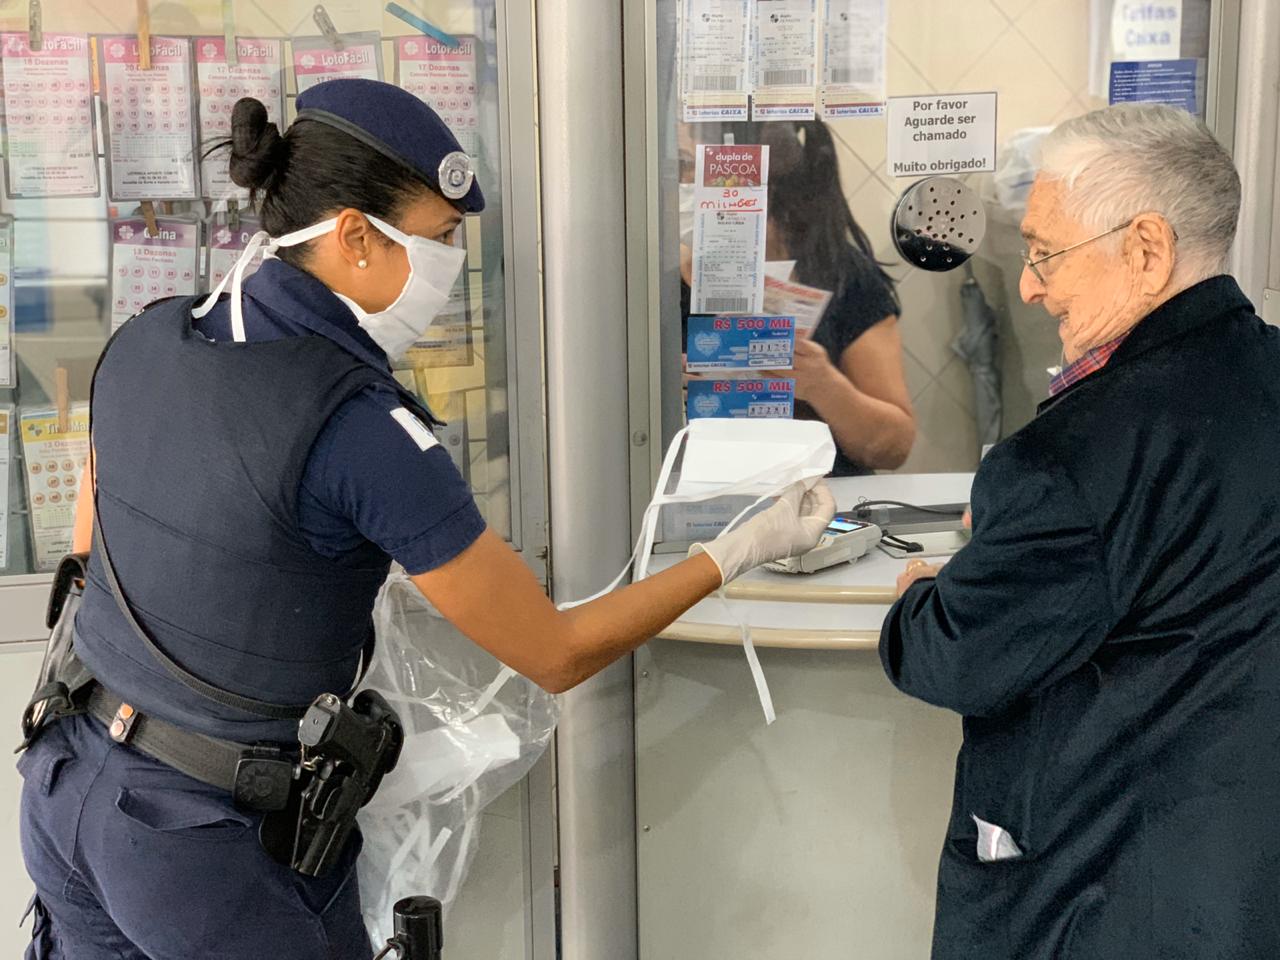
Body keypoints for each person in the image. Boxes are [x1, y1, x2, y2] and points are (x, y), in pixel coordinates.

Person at [17, 79, 835, 960]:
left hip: (64, 785)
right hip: (202, 852)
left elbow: (91, 552)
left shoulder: (147, 338)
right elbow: (555, 653)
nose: (450, 264)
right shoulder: (360, 429)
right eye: (439, 238)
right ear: (355, 237)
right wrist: (737, 549)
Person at [880, 103, 1278, 958]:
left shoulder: (1064, 460)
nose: (1029, 286)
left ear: (1146, 249)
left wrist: (923, 600)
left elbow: (958, 656)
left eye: (1046, 253)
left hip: (1107, 901)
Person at [679, 120, 915, 474]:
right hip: (692, 491)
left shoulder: (840, 274)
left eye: (688, 165)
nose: (681, 181)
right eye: (678, 166)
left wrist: (822, 385)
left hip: (817, 495)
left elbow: (894, 447)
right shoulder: (648, 284)